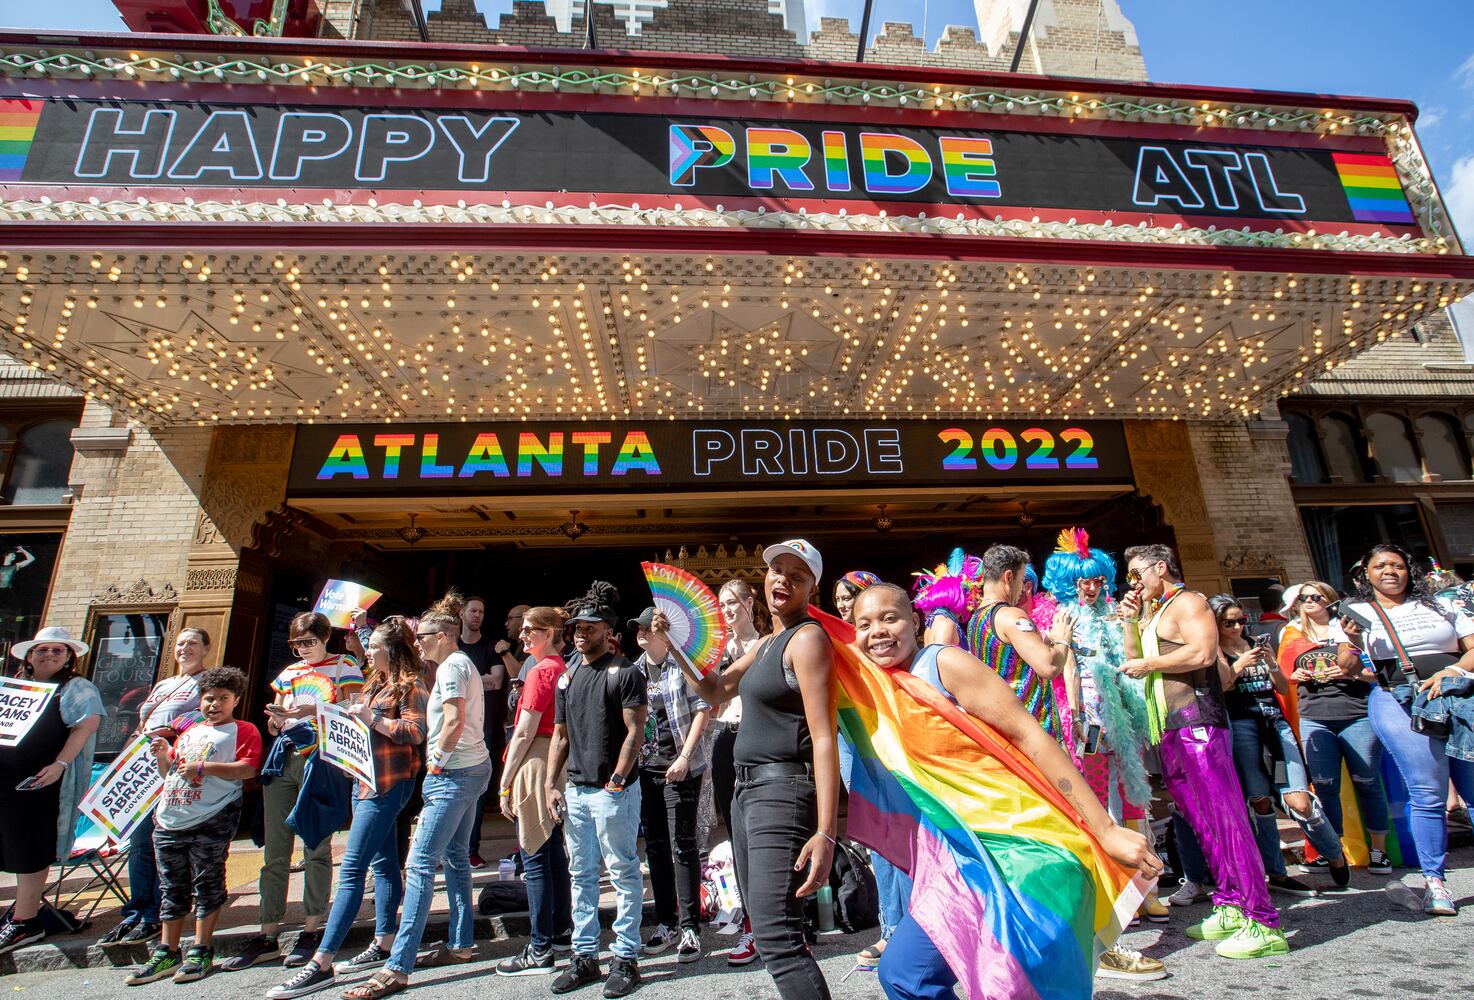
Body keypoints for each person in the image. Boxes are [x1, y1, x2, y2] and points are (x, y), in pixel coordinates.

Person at [840, 583, 1165, 994]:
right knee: (904, 974)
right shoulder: (876, 689)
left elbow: (1031, 737)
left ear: (916, 622)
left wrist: (1105, 829)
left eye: (890, 618)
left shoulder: (942, 664)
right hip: (956, 859)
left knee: (1016, 983)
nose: (878, 632)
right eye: (864, 624)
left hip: (1018, 848)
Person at [662, 539, 839, 1000]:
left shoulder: (808, 639)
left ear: (810, 589)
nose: (784, 579)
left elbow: (824, 737)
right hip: (746, 795)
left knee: (778, 937)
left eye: (797, 575)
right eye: (778, 569)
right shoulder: (765, 643)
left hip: (781, 792)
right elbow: (714, 689)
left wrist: (826, 831)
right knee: (765, 927)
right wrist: (679, 645)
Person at [1119, 544, 1286, 959]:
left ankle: (1263, 921)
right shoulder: (1155, 609)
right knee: (1200, 821)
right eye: (1130, 577)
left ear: (1161, 568)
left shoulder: (1190, 601)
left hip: (1199, 723)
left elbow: (1203, 653)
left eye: (1139, 574)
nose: (1134, 583)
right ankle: (1230, 904)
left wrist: (1150, 665)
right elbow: (1133, 658)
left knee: (1226, 819)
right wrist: (1129, 621)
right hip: (1170, 728)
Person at [265, 618, 429, 999]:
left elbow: (415, 733)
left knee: (352, 868)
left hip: (389, 783)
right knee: (384, 863)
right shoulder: (375, 682)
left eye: (374, 647)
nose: (367, 651)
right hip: (364, 779)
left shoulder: (411, 685)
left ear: (392, 650)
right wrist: (300, 715)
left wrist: (371, 717)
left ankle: (321, 963)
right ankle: (385, 940)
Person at [345, 592, 491, 998]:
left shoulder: (450, 669)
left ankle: (398, 966)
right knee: (456, 857)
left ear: (444, 635)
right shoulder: (455, 665)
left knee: (420, 865)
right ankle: (461, 943)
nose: (417, 640)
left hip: (454, 773)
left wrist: (437, 760)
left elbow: (455, 719)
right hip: (473, 768)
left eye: (423, 634)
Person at [1332, 543, 1474, 916]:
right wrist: (1354, 641)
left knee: (1472, 785)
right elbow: (1347, 667)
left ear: (1409, 570)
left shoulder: (1443, 603)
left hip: (1458, 696)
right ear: (1367, 574)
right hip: (1400, 700)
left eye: (1397, 565)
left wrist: (1453, 671)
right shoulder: (1356, 612)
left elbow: (1472, 647)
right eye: (1380, 566)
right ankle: (1435, 881)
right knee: (1427, 789)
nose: (1390, 571)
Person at [1040, 529, 1166, 935]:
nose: (1092, 587)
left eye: (1097, 580)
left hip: (1123, 715)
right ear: (1069, 582)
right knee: (1094, 800)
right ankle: (1109, 889)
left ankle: (1146, 888)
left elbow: (1132, 657)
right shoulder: (1062, 616)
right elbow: (1066, 668)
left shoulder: (1114, 611)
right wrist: (1074, 714)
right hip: (1088, 718)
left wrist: (1129, 622)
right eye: (1083, 581)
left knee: (1134, 795)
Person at [223, 612, 364, 972]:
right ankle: (267, 932)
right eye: (297, 644)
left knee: (316, 845)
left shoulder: (343, 664)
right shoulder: (288, 674)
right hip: (284, 755)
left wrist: (313, 709)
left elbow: (354, 707)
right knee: (275, 848)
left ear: (324, 637)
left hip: (320, 757)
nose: (303, 650)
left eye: (309, 642)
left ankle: (313, 927)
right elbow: (275, 719)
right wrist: (275, 719)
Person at [125, 667, 262, 985]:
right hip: (171, 817)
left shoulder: (243, 730)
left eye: (223, 699)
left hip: (211, 815)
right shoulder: (189, 732)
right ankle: (167, 951)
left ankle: (201, 949)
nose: (214, 705)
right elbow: (171, 772)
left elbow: (248, 769)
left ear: (236, 700)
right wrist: (163, 755)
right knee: (171, 886)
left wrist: (205, 766)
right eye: (209, 699)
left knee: (207, 883)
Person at [544, 582, 647, 997]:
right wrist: (552, 783)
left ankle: (626, 957)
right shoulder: (568, 676)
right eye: (575, 627)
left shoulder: (624, 671)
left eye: (590, 626)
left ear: (608, 629)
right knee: (581, 874)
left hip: (611, 790)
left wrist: (619, 780)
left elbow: (635, 731)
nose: (580, 633)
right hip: (576, 788)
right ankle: (584, 956)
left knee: (622, 871)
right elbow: (559, 735)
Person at [1210, 595, 1349, 895]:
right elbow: (1222, 686)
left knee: (1298, 798)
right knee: (1259, 800)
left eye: (1241, 621)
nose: (1236, 627)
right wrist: (1241, 663)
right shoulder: (1215, 651)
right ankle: (1277, 872)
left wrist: (1272, 664)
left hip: (1276, 722)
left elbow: (1283, 687)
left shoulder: (1256, 644)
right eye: (1229, 623)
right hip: (1242, 723)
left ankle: (1334, 851)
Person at [102, 627, 213, 948]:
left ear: (206, 648)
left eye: (193, 643)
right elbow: (143, 723)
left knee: (165, 842)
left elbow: (204, 718)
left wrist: (170, 729)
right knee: (140, 842)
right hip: (143, 769)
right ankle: (136, 910)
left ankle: (156, 913)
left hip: (176, 768)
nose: (185, 649)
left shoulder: (208, 682)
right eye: (180, 644)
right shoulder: (164, 684)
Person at [0, 626, 105, 954]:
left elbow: (87, 724)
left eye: (57, 650)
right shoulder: (14, 685)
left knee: (30, 845)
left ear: (69, 657)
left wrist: (59, 764)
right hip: (3, 779)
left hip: (39, 781)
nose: (48, 655)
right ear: (29, 656)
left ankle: (25, 920)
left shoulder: (75, 687)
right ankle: (20, 911)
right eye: (41, 650)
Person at [1277, 582, 1391, 876]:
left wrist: (1350, 671)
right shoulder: (1292, 634)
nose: (1310, 602)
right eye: (1304, 598)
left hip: (1355, 713)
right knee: (1325, 786)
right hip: (1314, 715)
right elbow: (1282, 677)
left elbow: (1377, 672)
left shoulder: (1349, 630)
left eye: (1317, 597)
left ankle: (1379, 850)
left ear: (1331, 601)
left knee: (1366, 781)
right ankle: (1333, 851)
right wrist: (1295, 675)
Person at [494, 606, 573, 977]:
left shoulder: (542, 671)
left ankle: (540, 948)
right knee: (552, 851)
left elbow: (524, 731)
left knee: (536, 854)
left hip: (534, 760)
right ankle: (560, 932)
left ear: (549, 632)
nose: (522, 635)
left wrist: (506, 781)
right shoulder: (563, 669)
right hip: (553, 763)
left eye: (529, 630)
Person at [630, 606, 711, 966]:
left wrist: (685, 756)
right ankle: (665, 922)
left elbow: (702, 711)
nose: (642, 634)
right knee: (656, 847)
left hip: (681, 765)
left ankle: (690, 925)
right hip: (646, 768)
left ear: (665, 634)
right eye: (640, 629)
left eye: (649, 629)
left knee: (683, 843)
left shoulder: (683, 666)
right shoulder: (632, 672)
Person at [710, 578, 766, 967]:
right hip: (725, 738)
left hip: (759, 737)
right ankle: (750, 924)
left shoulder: (767, 644)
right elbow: (708, 701)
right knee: (737, 836)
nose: (728, 609)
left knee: (768, 834)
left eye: (733, 602)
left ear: (750, 602)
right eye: (722, 604)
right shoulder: (716, 651)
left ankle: (786, 922)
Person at [965, 545, 1072, 740]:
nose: (1022, 587)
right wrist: (1062, 640)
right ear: (1008, 577)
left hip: (1001, 729)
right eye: (1021, 580)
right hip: (1032, 732)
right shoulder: (1012, 616)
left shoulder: (975, 620)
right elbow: (1048, 667)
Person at [457, 595, 497, 871]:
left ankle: (471, 849)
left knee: (479, 790)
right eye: (473, 610)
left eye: (481, 611)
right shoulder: (453, 646)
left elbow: (495, 681)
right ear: (461, 613)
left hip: (483, 726)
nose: (477, 615)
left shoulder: (490, 647)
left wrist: (460, 681)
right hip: (453, 725)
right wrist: (478, 679)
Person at [911, 550, 981, 651]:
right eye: (968, 596)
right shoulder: (945, 623)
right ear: (957, 596)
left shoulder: (933, 623)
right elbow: (942, 661)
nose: (970, 602)